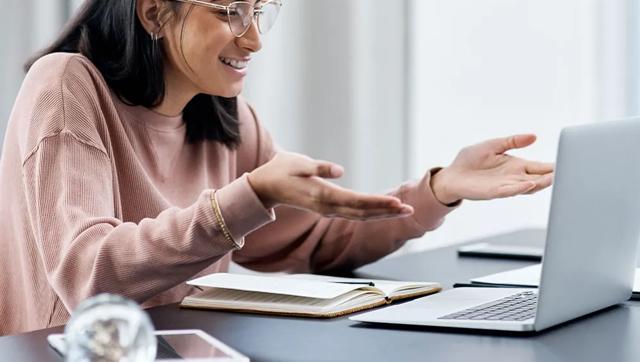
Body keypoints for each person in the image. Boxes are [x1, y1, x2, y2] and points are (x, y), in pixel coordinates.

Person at [0, 0, 553, 335]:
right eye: (230, 12)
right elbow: (89, 275)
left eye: (260, 10)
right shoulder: (67, 86)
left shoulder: (223, 114)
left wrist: (439, 190)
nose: (255, 38)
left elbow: (315, 244)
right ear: (153, 12)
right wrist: (248, 197)